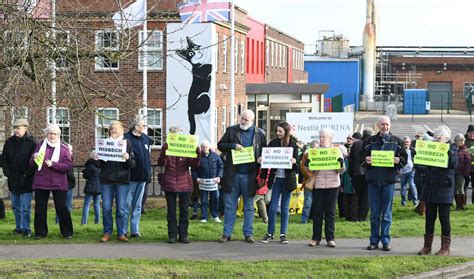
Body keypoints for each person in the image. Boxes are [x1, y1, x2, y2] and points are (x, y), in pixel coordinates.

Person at [217, 110, 267, 243]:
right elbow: (220, 145)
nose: (243, 121)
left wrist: (261, 159)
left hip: (250, 175)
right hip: (233, 174)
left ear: (252, 121)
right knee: (230, 206)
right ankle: (226, 234)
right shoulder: (232, 130)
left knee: (249, 207)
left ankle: (248, 233)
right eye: (242, 118)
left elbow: (264, 152)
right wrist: (233, 146)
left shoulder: (260, 134)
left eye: (246, 120)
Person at [363, 116, 406, 252]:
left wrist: (399, 160)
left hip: (389, 181)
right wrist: (366, 160)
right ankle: (374, 240)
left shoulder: (397, 142)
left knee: (386, 214)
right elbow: (360, 158)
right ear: (378, 125)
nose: (385, 127)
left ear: (390, 125)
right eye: (382, 124)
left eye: (387, 124)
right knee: (375, 213)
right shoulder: (370, 141)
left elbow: (405, 159)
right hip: (373, 182)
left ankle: (386, 241)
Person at [418, 126, 457, 256]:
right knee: (429, 218)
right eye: (436, 137)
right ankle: (427, 247)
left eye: (440, 137)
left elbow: (454, 164)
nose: (437, 139)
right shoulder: (430, 147)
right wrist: (419, 159)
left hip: (444, 188)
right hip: (430, 188)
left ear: (446, 138)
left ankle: (445, 248)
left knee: (444, 218)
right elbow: (422, 166)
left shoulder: (452, 148)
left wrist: (449, 153)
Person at [93, 120, 135, 242]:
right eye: (111, 129)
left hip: (122, 180)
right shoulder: (104, 143)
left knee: (121, 208)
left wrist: (128, 158)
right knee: (106, 207)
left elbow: (132, 164)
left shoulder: (127, 144)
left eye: (116, 128)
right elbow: (99, 164)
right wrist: (96, 158)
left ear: (122, 130)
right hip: (107, 180)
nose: (113, 131)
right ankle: (107, 232)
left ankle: (121, 233)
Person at [158, 126, 201, 244]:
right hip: (170, 184)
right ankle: (172, 235)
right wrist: (164, 151)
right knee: (171, 211)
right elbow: (161, 163)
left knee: (184, 210)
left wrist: (197, 154)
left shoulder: (186, 150)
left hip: (184, 184)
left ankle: (183, 235)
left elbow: (194, 165)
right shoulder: (167, 149)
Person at [30, 124, 73, 239]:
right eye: (50, 133)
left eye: (55, 134)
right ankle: (40, 233)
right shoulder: (39, 147)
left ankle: (67, 232)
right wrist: (35, 158)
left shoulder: (64, 149)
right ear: (46, 134)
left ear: (59, 135)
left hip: (58, 183)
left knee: (62, 208)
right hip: (41, 181)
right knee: (40, 209)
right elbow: (31, 164)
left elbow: (68, 167)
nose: (52, 136)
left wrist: (53, 164)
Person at [305, 128, 345, 247]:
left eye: (324, 137)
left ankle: (330, 238)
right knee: (317, 212)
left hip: (332, 185)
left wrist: (341, 164)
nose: (321, 139)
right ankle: (315, 238)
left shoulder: (336, 151)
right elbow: (310, 171)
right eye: (320, 137)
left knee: (330, 212)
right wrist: (308, 165)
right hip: (318, 185)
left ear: (330, 138)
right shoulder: (314, 152)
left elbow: (341, 170)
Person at [260, 122, 299, 244]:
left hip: (287, 180)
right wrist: (262, 174)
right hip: (276, 179)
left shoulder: (293, 145)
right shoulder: (273, 143)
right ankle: (270, 233)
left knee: (284, 207)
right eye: (277, 131)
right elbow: (267, 161)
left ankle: (283, 234)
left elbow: (297, 168)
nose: (278, 133)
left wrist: (294, 162)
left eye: (280, 131)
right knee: (272, 207)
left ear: (286, 132)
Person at [1, 119, 36, 237]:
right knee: (16, 206)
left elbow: (34, 162)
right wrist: (7, 173)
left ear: (25, 128)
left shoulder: (32, 143)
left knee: (26, 207)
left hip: (26, 180)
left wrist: (27, 174)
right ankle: (19, 227)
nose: (16, 130)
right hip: (13, 179)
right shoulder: (9, 142)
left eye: (19, 128)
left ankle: (27, 228)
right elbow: (4, 159)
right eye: (15, 128)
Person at [124, 115, 151, 238]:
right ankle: (123, 230)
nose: (145, 127)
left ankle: (135, 230)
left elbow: (148, 157)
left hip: (143, 177)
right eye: (143, 125)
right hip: (131, 177)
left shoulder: (146, 138)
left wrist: (148, 175)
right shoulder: (126, 138)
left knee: (138, 205)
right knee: (126, 204)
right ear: (136, 126)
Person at [192, 140, 223, 223]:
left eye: (206, 147)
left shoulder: (215, 156)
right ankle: (204, 217)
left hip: (214, 182)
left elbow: (220, 166)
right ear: (201, 148)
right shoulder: (198, 157)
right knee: (204, 200)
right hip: (203, 182)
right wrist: (196, 178)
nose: (204, 148)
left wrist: (219, 176)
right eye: (203, 147)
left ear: (209, 147)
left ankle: (214, 215)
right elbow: (194, 169)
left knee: (215, 198)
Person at [348, 128, 374, 221]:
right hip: (369, 174)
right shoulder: (372, 144)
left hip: (356, 174)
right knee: (366, 197)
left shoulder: (356, 144)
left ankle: (357, 216)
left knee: (358, 196)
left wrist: (351, 175)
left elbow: (350, 161)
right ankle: (362, 217)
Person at [81, 150, 102, 225]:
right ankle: (97, 221)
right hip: (99, 186)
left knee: (86, 204)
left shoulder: (90, 165)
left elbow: (86, 175)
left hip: (90, 186)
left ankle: (84, 222)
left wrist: (84, 171)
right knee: (97, 204)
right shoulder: (101, 165)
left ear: (92, 156)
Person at [300, 141, 318, 224]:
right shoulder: (306, 155)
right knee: (308, 201)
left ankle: (315, 219)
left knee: (316, 201)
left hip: (316, 181)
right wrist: (310, 176)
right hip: (309, 181)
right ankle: (304, 220)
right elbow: (303, 167)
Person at [57, 144, 75, 224]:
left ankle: (66, 222)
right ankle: (59, 222)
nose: (70, 152)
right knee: (62, 205)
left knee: (67, 206)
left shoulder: (71, 159)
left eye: (71, 151)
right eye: (68, 150)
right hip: (63, 184)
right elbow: (69, 174)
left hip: (69, 185)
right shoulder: (63, 159)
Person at [399, 136, 418, 207]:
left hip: (411, 170)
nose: (406, 143)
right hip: (402, 171)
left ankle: (415, 202)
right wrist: (398, 170)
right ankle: (403, 202)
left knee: (412, 185)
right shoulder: (400, 150)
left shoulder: (413, 150)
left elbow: (419, 157)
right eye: (405, 142)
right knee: (403, 188)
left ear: (410, 143)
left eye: (407, 142)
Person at [454, 133, 471, 210]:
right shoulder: (454, 149)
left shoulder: (465, 150)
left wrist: (466, 174)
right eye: (459, 140)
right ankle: (457, 205)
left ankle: (461, 206)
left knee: (460, 188)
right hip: (453, 172)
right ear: (456, 141)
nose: (461, 142)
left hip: (461, 173)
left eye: (462, 140)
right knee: (454, 189)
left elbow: (468, 163)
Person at [464, 124, 474, 205]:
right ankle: (463, 204)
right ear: (467, 133)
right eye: (471, 133)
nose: (472, 134)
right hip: (465, 168)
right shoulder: (463, 141)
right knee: (464, 187)